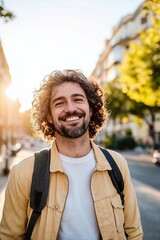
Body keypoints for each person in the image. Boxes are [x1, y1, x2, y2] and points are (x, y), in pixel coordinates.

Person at [0, 69, 143, 239]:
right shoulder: (23, 172)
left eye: (78, 99)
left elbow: (133, 232)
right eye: (59, 103)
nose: (70, 108)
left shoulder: (117, 164)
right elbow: (9, 236)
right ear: (50, 117)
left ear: (91, 108)